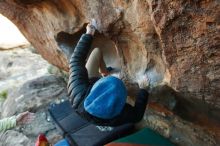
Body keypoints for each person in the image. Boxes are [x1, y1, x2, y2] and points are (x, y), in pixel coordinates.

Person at [66, 22, 149, 126]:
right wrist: (143, 90)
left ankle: (104, 72)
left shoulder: (78, 90)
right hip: (90, 94)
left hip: (86, 91)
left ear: (97, 85)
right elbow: (137, 115)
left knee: (96, 52)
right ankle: (105, 74)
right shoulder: (119, 116)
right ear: (120, 104)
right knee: (97, 53)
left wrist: (89, 34)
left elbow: (76, 61)